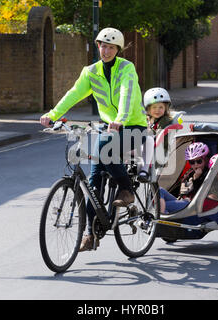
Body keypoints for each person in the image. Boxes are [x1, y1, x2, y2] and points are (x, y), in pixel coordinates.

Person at [40, 27, 148, 251]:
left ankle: (127, 190)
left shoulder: (127, 69)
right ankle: (90, 234)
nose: (106, 50)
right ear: (98, 46)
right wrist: (52, 115)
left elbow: (128, 94)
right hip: (109, 128)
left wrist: (120, 119)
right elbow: (74, 93)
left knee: (106, 152)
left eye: (110, 47)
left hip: (133, 126)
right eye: (103, 46)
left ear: (117, 49)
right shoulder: (91, 72)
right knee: (93, 182)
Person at [159, 142, 210, 214]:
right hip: (183, 201)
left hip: (192, 205)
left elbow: (200, 195)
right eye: (192, 162)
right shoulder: (190, 173)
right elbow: (182, 191)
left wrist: (196, 179)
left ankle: (164, 216)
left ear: (205, 160)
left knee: (161, 206)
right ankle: (164, 213)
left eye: (199, 161)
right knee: (159, 190)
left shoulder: (208, 173)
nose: (196, 165)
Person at [138, 87, 174, 182]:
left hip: (159, 149)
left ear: (166, 108)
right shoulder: (147, 119)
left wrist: (148, 130)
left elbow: (157, 134)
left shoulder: (165, 120)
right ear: (148, 109)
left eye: (161, 107)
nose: (157, 110)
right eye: (154, 107)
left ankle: (143, 168)